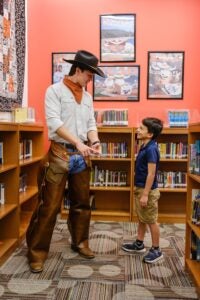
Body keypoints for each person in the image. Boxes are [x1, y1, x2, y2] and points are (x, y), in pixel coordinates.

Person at [26, 50, 105, 273]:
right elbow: (54, 123)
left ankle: (80, 242)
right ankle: (36, 253)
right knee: (49, 206)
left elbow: (91, 123)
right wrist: (77, 143)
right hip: (60, 155)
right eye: (89, 75)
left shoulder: (88, 97)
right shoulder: (54, 91)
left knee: (81, 203)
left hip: (81, 156)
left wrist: (94, 141)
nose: (90, 80)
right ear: (77, 70)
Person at [122, 117, 163, 264]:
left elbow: (151, 174)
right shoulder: (144, 145)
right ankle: (139, 244)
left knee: (151, 220)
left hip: (148, 191)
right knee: (142, 217)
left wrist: (145, 194)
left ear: (150, 134)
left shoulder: (152, 149)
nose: (137, 130)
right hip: (141, 188)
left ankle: (157, 249)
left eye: (141, 128)